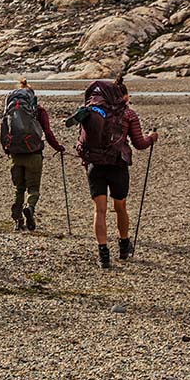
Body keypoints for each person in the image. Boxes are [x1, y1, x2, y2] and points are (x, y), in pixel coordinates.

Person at [71, 76, 159, 268]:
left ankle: (103, 254)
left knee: (99, 211)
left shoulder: (92, 111)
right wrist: (152, 137)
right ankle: (123, 245)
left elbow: (82, 139)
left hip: (94, 165)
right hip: (117, 165)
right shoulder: (128, 114)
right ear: (123, 96)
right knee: (120, 207)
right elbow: (139, 144)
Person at [2, 78, 65, 232]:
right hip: (34, 153)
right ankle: (30, 207)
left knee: (19, 189)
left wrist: (7, 149)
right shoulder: (38, 110)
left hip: (15, 154)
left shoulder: (11, 109)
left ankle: (18, 221)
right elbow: (48, 133)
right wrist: (58, 147)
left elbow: (4, 131)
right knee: (33, 188)